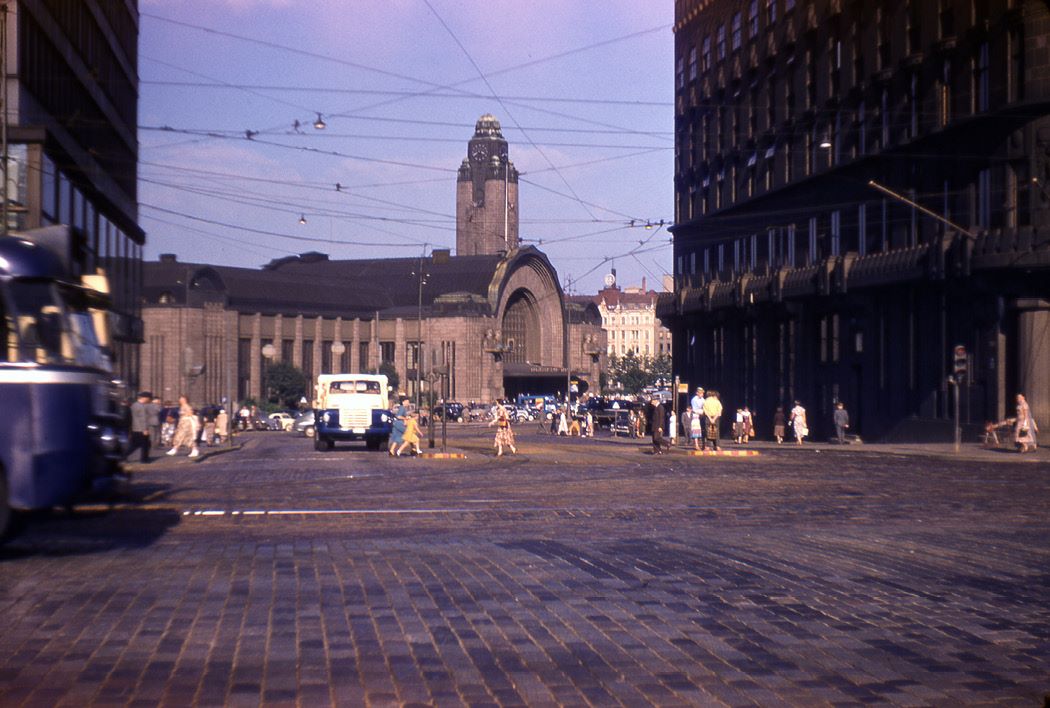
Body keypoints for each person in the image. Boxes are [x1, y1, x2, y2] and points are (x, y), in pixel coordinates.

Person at [126, 391, 153, 463]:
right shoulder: (141, 407)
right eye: (148, 398)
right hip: (141, 429)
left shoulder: (134, 405)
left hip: (135, 428)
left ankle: (123, 456)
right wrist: (145, 429)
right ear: (145, 398)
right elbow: (142, 419)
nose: (149, 400)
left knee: (134, 445)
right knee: (146, 445)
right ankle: (144, 459)